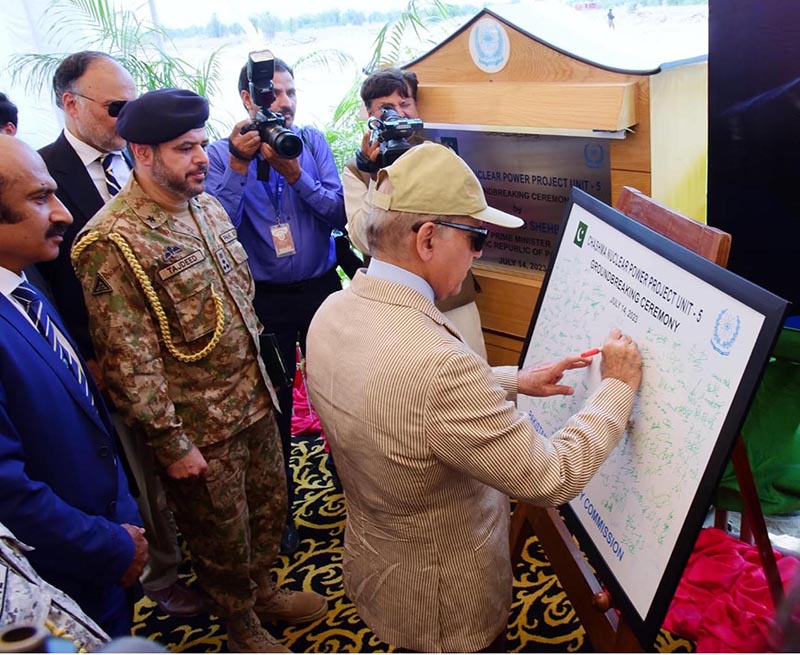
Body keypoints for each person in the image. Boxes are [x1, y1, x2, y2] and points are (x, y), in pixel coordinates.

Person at [306, 142, 642, 652]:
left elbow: (397, 403)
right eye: (476, 237)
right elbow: (553, 477)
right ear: (426, 239)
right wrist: (616, 386)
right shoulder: (436, 367)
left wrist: (513, 380)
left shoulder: (334, 308)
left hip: (381, 567)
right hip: (446, 605)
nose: (479, 253)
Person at [71, 89, 328, 653]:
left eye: (199, 145)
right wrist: (171, 441)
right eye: (184, 149)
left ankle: (263, 592)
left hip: (254, 397)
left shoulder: (206, 206)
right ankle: (240, 626)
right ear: (142, 152)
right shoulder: (111, 240)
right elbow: (128, 360)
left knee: (268, 508)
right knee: (220, 534)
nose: (202, 158)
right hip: (198, 425)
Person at [36, 51, 201, 618]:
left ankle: (204, 556)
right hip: (103, 363)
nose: (127, 118)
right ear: (71, 104)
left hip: (182, 356)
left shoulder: (143, 162)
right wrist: (85, 357)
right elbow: (45, 285)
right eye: (115, 107)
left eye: (133, 104)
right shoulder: (40, 176)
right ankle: (159, 576)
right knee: (137, 476)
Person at [0, 134, 148, 637]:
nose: (63, 214)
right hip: (57, 581)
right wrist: (110, 545)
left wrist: (124, 526)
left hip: (105, 548)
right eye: (40, 198)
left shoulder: (24, 283)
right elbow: (8, 492)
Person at [206, 55, 347, 554]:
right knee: (277, 405)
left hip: (320, 289)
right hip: (264, 299)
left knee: (342, 390)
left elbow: (338, 209)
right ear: (248, 100)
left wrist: (295, 174)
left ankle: (354, 485)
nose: (283, 103)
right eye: (272, 95)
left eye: (290, 93)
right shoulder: (222, 156)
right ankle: (279, 510)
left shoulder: (311, 142)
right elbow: (216, 226)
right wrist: (242, 166)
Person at [343, 67, 488, 359]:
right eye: (386, 108)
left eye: (404, 104)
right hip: (396, 306)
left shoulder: (440, 157)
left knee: (475, 371)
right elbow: (362, 238)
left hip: (452, 299)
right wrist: (375, 177)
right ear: (370, 116)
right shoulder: (357, 172)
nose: (398, 114)